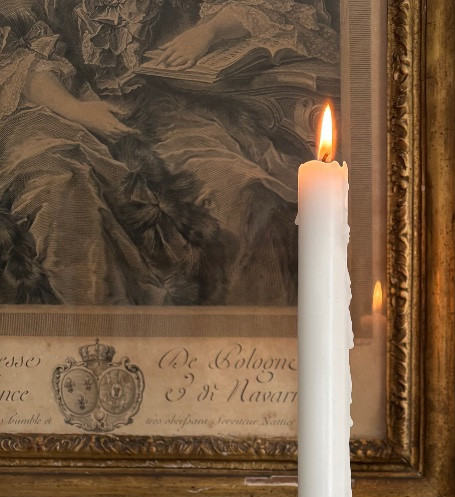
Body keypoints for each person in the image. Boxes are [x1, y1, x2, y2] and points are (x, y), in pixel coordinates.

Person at [0, 0, 339, 305]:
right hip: (50, 110)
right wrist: (76, 109)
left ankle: (241, 345)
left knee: (239, 191)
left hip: (160, 105)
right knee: (66, 195)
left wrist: (209, 31)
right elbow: (13, 50)